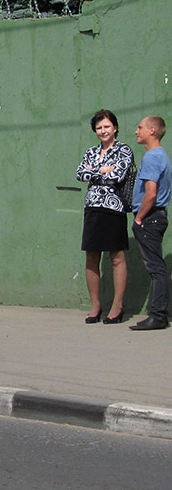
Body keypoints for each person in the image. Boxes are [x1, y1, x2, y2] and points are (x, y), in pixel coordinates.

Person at [74, 109, 134, 325]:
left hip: (114, 208)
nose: (103, 131)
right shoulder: (91, 152)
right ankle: (95, 306)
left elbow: (118, 175)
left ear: (115, 128)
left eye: (107, 126)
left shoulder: (124, 150)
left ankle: (117, 307)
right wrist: (103, 169)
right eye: (99, 128)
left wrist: (95, 171)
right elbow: (80, 173)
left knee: (116, 257)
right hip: (92, 208)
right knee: (91, 256)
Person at [129, 116, 171, 331]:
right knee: (157, 268)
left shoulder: (152, 157)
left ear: (152, 130)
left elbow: (151, 193)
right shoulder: (158, 155)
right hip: (155, 216)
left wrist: (138, 218)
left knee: (156, 269)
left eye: (140, 127)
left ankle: (158, 316)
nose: (137, 131)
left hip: (150, 217)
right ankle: (159, 315)